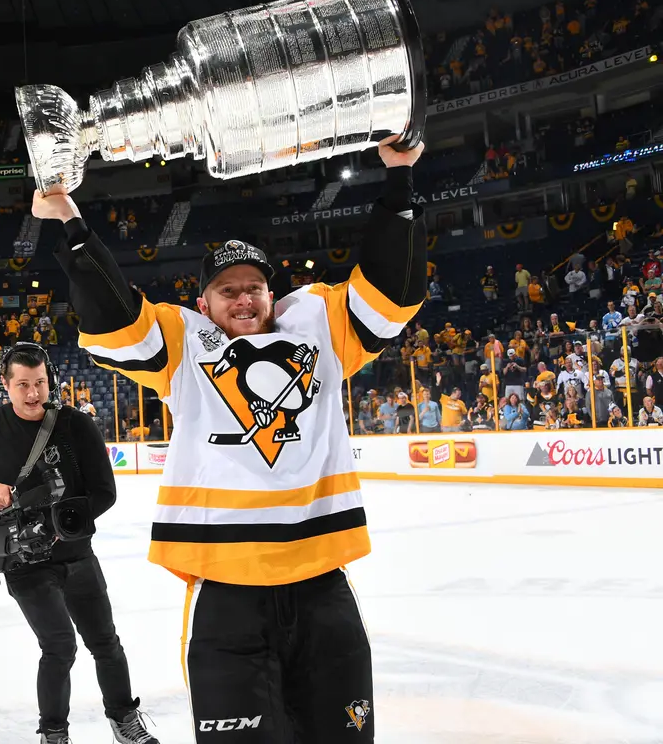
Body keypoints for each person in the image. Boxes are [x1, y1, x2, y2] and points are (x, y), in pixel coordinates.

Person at [36, 135, 426, 742]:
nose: (244, 299)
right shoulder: (185, 346)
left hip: (321, 581)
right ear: (204, 301)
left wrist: (399, 181)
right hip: (226, 588)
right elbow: (115, 315)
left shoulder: (319, 330)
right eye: (228, 290)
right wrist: (70, 220)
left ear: (272, 293)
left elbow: (392, 292)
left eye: (255, 288)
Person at [0, 343, 158, 744]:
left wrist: (63, 524)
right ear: (5, 384)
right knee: (59, 646)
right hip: (23, 560)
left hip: (76, 553)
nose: (33, 393)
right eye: (22, 385)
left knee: (105, 641)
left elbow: (104, 492)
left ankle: (124, 718)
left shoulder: (76, 426)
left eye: (40, 383)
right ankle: (54, 732)